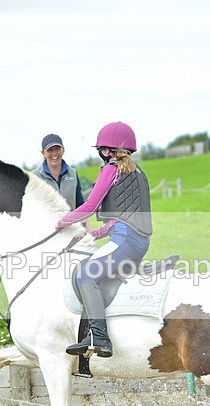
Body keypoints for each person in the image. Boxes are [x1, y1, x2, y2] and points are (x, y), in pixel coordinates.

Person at [55, 122, 152, 358]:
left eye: (101, 150)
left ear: (107, 150)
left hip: (127, 240)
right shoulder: (137, 172)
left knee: (86, 275)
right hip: (135, 240)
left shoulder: (111, 169)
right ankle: (89, 333)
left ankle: (100, 337)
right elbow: (121, 218)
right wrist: (95, 234)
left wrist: (61, 222)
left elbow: (90, 206)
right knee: (96, 274)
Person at [31, 133, 85, 209]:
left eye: (57, 148)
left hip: (71, 221)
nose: (54, 153)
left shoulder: (73, 173)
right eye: (50, 150)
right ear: (43, 153)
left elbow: (79, 205)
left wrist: (86, 220)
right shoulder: (34, 177)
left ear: (63, 150)